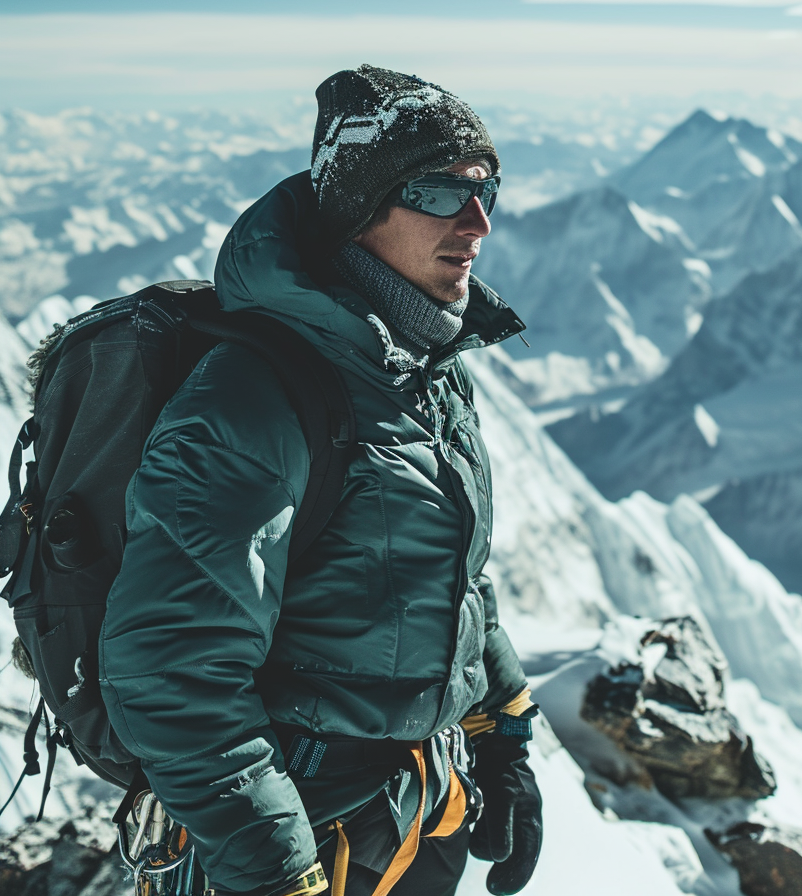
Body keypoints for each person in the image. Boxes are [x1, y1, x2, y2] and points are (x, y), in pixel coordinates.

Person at [98, 65, 542, 896]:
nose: (477, 222)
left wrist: (504, 727)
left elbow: (446, 578)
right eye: (439, 193)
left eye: (486, 190)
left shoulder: (422, 366)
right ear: (356, 213)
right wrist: (274, 872)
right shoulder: (252, 399)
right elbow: (168, 668)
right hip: (304, 835)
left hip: (412, 810)